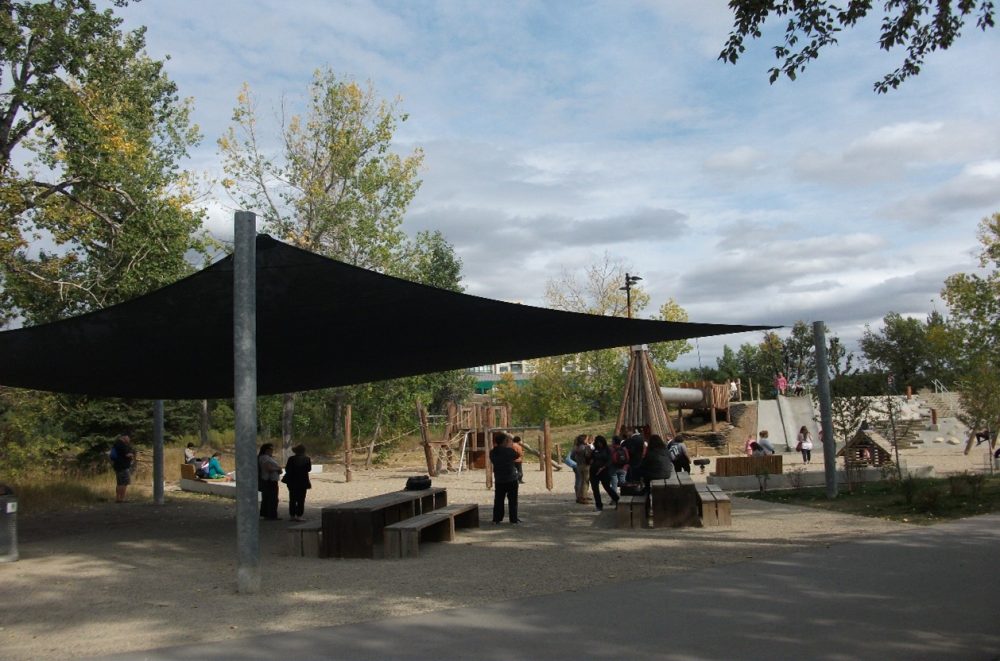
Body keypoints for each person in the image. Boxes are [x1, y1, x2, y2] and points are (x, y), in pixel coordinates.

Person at [490, 432, 520, 523]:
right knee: (513, 500)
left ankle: (497, 518)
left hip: (499, 479)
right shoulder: (509, 451)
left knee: (499, 500)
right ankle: (513, 519)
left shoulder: (493, 452)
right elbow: (517, 455)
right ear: (504, 441)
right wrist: (510, 446)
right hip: (511, 478)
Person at [588, 435, 619, 511]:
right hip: (594, 471)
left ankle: (617, 500)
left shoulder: (607, 450)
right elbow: (589, 459)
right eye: (598, 443)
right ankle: (599, 506)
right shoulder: (594, 450)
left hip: (604, 471)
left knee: (607, 487)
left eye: (600, 443)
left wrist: (603, 467)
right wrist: (589, 459)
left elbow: (610, 460)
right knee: (595, 489)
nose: (599, 444)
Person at [283, 444, 312, 522]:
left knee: (292, 498)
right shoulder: (307, 459)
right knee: (301, 499)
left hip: (292, 481)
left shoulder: (291, 459)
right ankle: (299, 515)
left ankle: (292, 515)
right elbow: (309, 469)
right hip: (303, 481)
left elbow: (287, 469)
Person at [257, 443, 282, 520]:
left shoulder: (266, 457)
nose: (272, 451)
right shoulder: (265, 458)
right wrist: (278, 469)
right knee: (272, 498)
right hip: (269, 480)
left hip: (270, 480)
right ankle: (271, 515)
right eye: (271, 449)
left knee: (267, 497)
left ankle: (267, 514)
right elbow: (268, 468)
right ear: (267, 450)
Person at [110, 433, 136, 503]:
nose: (129, 439)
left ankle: (118, 498)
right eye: (128, 438)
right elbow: (127, 454)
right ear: (124, 437)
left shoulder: (116, 444)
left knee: (119, 483)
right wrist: (131, 454)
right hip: (123, 467)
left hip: (118, 466)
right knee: (124, 483)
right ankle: (122, 499)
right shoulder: (121, 445)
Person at [571, 434, 593, 504]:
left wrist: (577, 461)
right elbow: (589, 456)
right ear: (584, 440)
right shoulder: (586, 447)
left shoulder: (575, 448)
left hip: (578, 465)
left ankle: (579, 496)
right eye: (586, 439)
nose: (587, 440)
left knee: (580, 481)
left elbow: (572, 457)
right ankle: (583, 497)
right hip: (586, 465)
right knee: (585, 482)